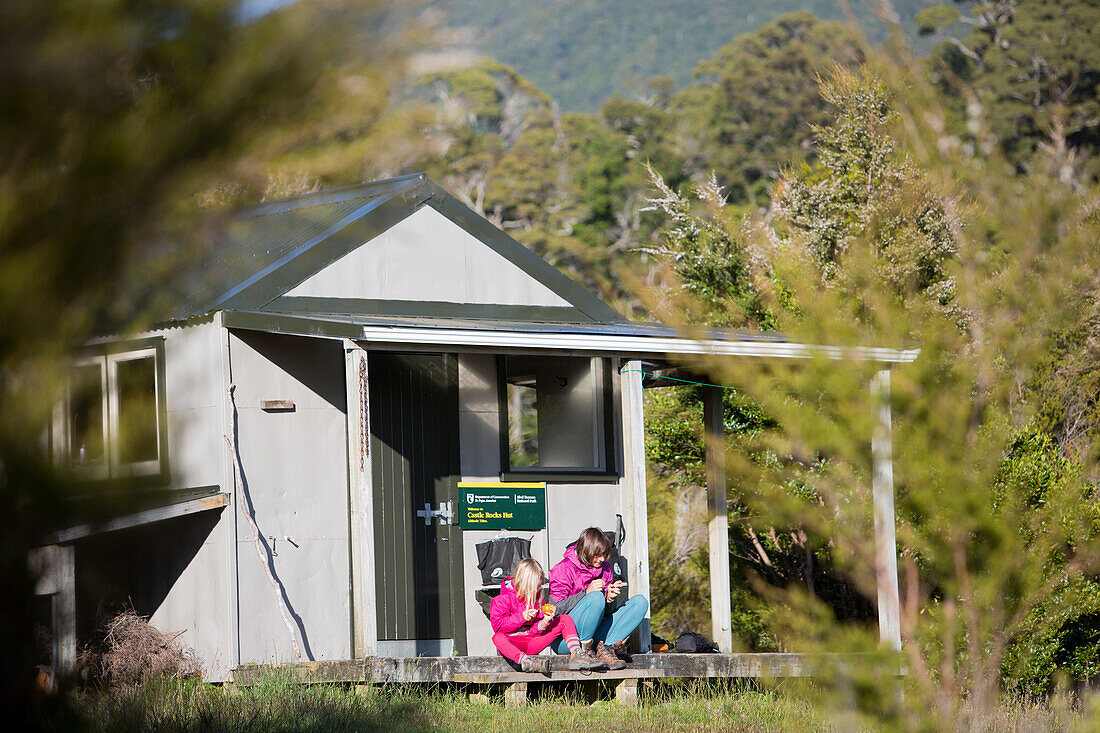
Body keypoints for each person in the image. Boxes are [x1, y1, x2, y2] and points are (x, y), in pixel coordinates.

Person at [548, 527, 650, 670]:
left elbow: (607, 613)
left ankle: (605, 649)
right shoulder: (563, 569)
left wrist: (610, 599)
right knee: (595, 596)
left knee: (640, 602)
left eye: (604, 555)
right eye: (598, 555)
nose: (602, 559)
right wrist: (586, 593)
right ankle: (584, 650)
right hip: (566, 640)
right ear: (586, 550)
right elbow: (554, 611)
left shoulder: (606, 568)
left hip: (597, 635)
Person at [489, 557, 606, 673]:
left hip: (531, 642)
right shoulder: (500, 600)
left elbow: (534, 631)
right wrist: (522, 617)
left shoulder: (536, 598)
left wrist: (544, 622)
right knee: (497, 638)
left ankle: (577, 654)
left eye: (539, 586)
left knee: (564, 619)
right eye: (535, 586)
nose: (538, 590)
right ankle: (527, 663)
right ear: (525, 583)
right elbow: (499, 627)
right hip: (512, 645)